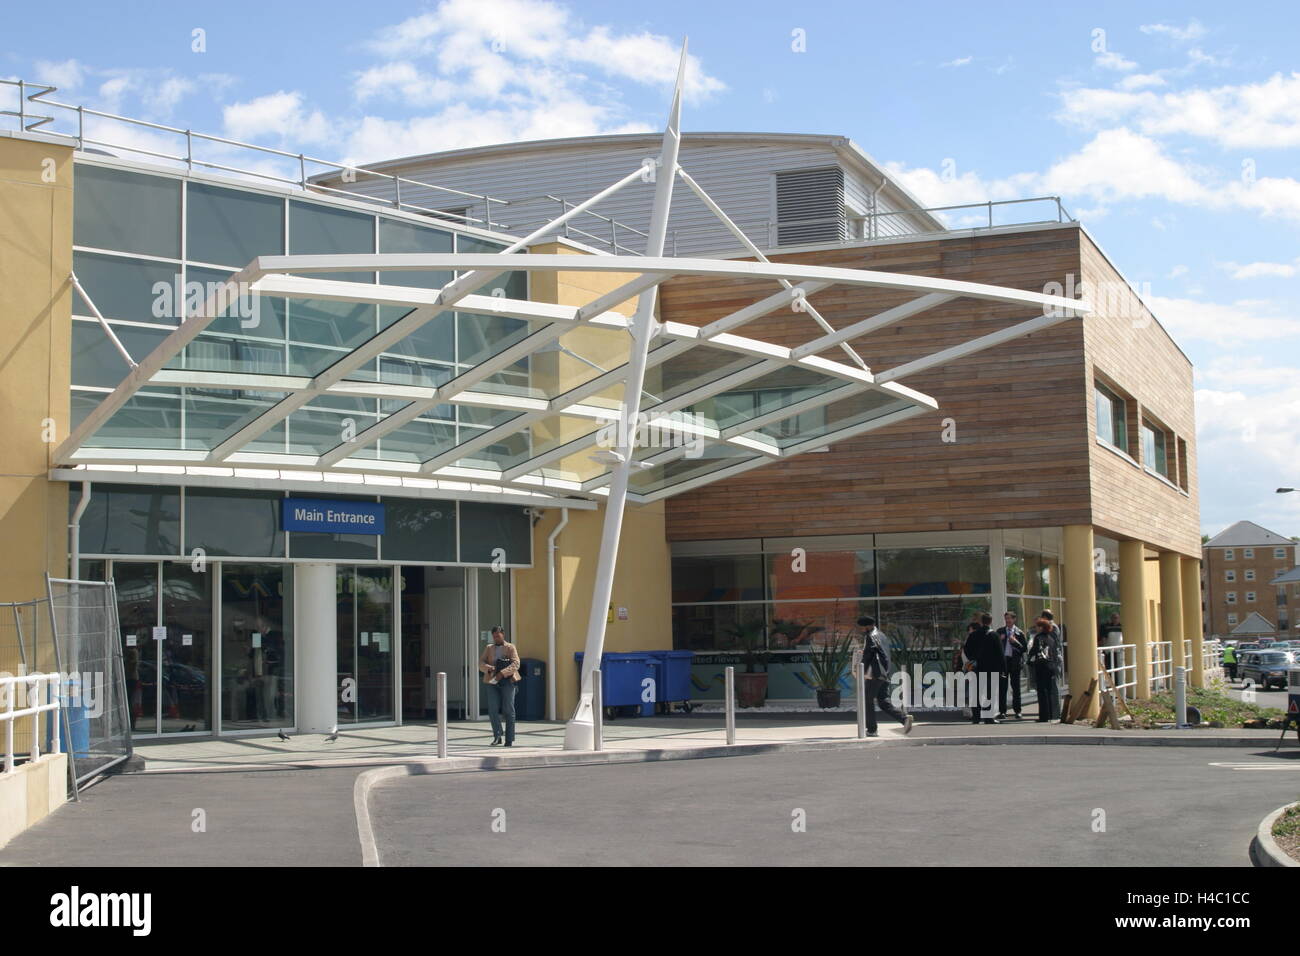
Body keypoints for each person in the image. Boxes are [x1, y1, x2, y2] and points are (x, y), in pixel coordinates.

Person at [857, 616, 913, 737]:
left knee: (867, 700)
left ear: (867, 626)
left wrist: (861, 671)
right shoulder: (882, 635)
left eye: (863, 627)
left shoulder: (870, 636)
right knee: (883, 701)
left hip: (875, 674)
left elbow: (868, 655)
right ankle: (904, 719)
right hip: (885, 672)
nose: (862, 630)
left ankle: (872, 729)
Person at [478, 625, 521, 746]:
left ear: (503, 634)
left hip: (507, 681)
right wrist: (489, 668)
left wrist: (502, 673)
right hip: (492, 681)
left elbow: (516, 663)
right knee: (493, 709)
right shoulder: (489, 648)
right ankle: (497, 735)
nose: (496, 638)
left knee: (508, 709)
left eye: (498, 635)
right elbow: (480, 663)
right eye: (494, 636)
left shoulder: (511, 647)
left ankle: (509, 738)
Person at [963, 612, 1004, 724]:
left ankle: (976, 717)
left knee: (976, 693)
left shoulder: (973, 635)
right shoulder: (994, 635)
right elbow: (1000, 654)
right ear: (990, 622)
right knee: (990, 693)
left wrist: (973, 658)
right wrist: (1002, 669)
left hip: (977, 667)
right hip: (992, 668)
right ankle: (988, 717)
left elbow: (966, 649)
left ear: (980, 622)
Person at [1026, 617, 1062, 722]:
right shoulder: (1051, 638)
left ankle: (1044, 716)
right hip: (1051, 667)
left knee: (1042, 691)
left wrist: (1029, 660)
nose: (1036, 628)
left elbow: (1034, 651)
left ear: (1041, 627)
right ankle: (1052, 714)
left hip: (1041, 667)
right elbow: (1054, 653)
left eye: (1037, 626)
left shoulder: (1038, 638)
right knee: (1050, 690)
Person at [995, 611, 1026, 719]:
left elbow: (1024, 649)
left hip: (1015, 663)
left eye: (1009, 618)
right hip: (1004, 663)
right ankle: (1002, 711)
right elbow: (994, 647)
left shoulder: (1019, 633)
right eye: (1006, 619)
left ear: (1014, 619)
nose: (1007, 621)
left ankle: (1017, 711)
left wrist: (1015, 642)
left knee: (1016, 688)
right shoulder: (1000, 631)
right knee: (1002, 687)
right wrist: (1000, 640)